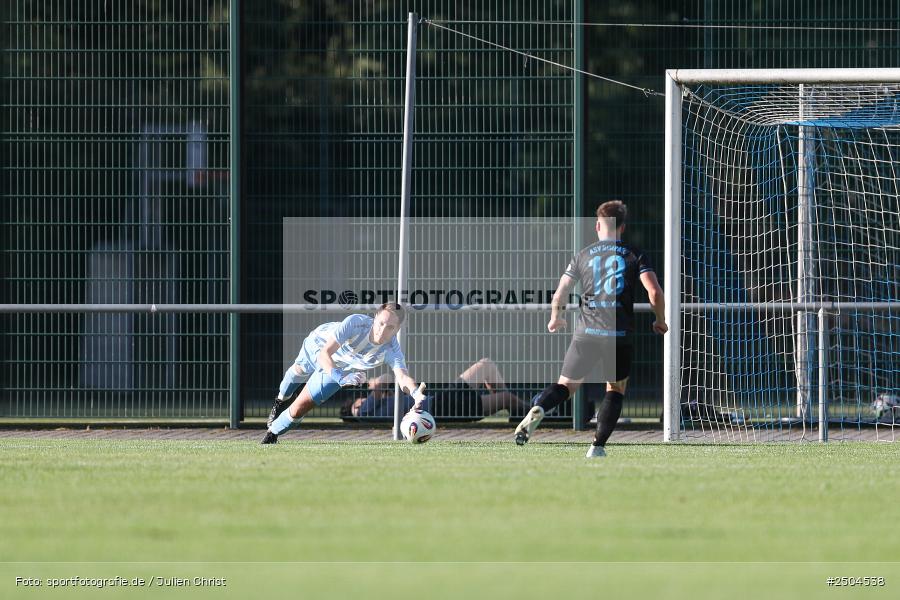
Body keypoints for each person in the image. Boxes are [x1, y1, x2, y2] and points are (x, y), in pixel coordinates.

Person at [514, 200, 668, 458]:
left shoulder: (582, 255)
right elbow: (654, 291)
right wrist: (660, 319)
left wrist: (556, 318)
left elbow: (561, 292)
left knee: (566, 386)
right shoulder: (634, 254)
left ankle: (540, 406)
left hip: (586, 333)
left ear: (597, 226)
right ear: (623, 227)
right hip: (618, 336)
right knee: (615, 388)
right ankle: (597, 446)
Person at [261, 302, 426, 444]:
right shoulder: (355, 323)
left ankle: (272, 432)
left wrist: (416, 393)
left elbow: (402, 377)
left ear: (398, 329)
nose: (382, 331)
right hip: (319, 346)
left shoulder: (392, 350)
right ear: (375, 317)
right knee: (298, 372)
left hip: (342, 368)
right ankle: (280, 399)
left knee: (300, 408)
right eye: (381, 323)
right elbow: (324, 354)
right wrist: (341, 378)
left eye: (390, 327)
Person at [342, 358, 529, 421]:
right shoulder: (364, 413)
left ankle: (520, 415)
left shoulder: (378, 407)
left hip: (442, 402)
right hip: (441, 408)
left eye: (359, 404)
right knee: (507, 398)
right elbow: (387, 378)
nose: (362, 405)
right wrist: (374, 384)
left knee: (487, 366)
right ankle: (533, 414)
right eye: (358, 407)